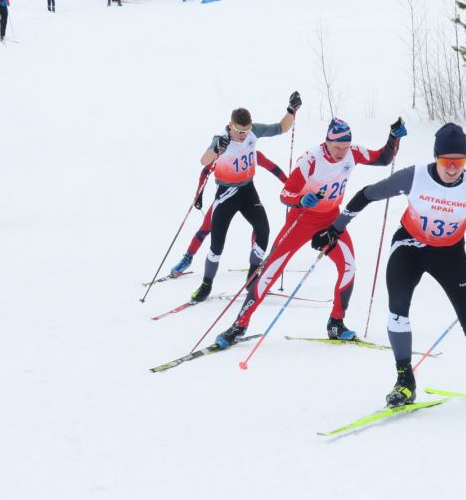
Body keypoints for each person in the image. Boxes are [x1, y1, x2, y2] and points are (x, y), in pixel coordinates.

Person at [325, 123, 466, 407]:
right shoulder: (414, 177)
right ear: (436, 158)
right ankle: (404, 381)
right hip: (410, 247)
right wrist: (335, 228)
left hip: (450, 254)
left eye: (460, 162)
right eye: (447, 161)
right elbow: (367, 194)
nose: (453, 168)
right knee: (398, 308)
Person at [213, 115, 406, 348]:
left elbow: (383, 159)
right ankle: (239, 325)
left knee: (349, 267)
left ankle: (336, 323)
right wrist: (303, 199)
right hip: (302, 219)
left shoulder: (353, 152)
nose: (342, 152)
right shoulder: (311, 160)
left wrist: (393, 138)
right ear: (327, 142)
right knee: (270, 270)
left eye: (345, 146)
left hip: (331, 220)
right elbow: (285, 194)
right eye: (337, 147)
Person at [170, 94, 301, 300]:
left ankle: (252, 275)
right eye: (239, 131)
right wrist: (216, 149)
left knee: (263, 230)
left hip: (248, 191)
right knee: (216, 244)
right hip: (226, 195)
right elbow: (204, 161)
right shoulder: (221, 139)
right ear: (230, 126)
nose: (243, 136)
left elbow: (281, 128)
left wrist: (291, 111)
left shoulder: (253, 131)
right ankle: (206, 285)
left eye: (246, 131)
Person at [176, 152, 288, 276]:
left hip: (247, 198)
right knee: (206, 227)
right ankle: (187, 258)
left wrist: (288, 184)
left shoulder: (252, 153)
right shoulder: (224, 155)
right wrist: (199, 194)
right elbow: (205, 171)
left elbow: (272, 167)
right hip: (225, 198)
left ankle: (256, 262)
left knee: (259, 226)